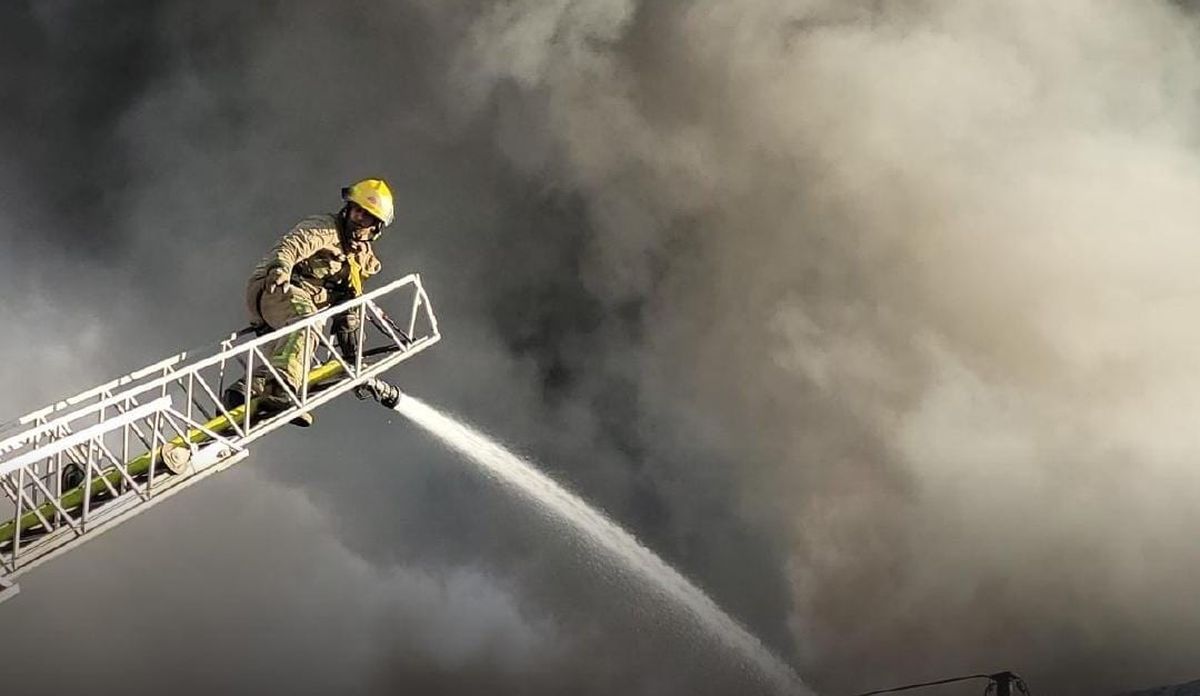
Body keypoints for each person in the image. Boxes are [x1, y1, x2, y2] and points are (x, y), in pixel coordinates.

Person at [223, 178, 394, 426]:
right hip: (277, 287)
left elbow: (350, 309)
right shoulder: (324, 228)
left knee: (297, 355)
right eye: (356, 210)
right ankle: (281, 389)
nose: (358, 218)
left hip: (301, 306)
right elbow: (292, 245)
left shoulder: (360, 261)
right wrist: (280, 268)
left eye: (366, 216)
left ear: (376, 227)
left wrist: (354, 363)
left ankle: (242, 393)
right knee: (308, 325)